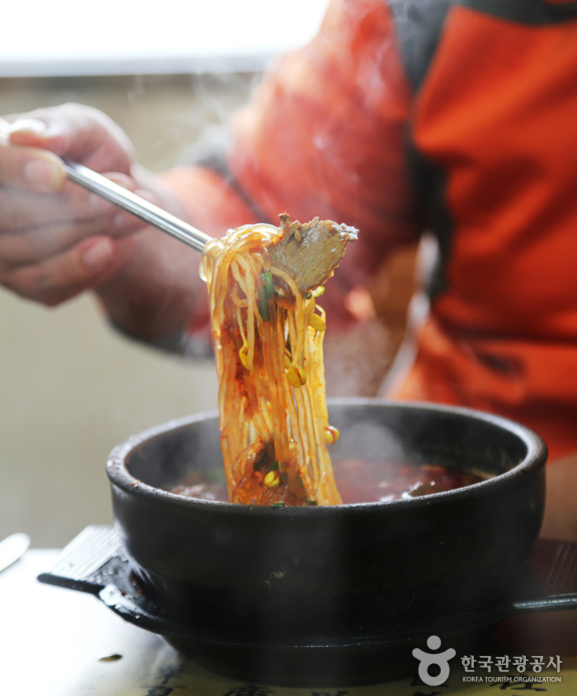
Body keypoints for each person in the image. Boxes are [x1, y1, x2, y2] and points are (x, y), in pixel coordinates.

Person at [2, 0, 577, 539]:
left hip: (480, 509)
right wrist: (113, 219)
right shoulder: (417, 12)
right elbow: (260, 216)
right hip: (440, 495)